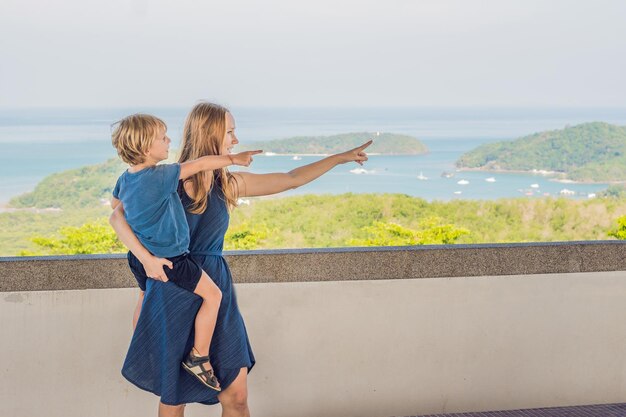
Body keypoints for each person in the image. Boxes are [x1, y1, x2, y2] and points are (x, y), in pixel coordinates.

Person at [109, 102, 371, 417]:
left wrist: (338, 158)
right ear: (210, 134)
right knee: (173, 398)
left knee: (237, 397)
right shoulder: (166, 180)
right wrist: (146, 260)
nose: (235, 139)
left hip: (215, 292)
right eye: (230, 132)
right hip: (173, 289)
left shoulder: (228, 184)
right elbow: (117, 216)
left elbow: (291, 178)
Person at [110, 113, 261, 391]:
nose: (169, 141)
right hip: (173, 259)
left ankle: (145, 345)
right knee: (214, 295)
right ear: (146, 148)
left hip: (140, 258)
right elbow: (200, 164)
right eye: (163, 138)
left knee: (145, 298)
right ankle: (199, 357)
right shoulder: (161, 175)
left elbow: (116, 208)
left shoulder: (125, 178)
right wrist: (234, 159)